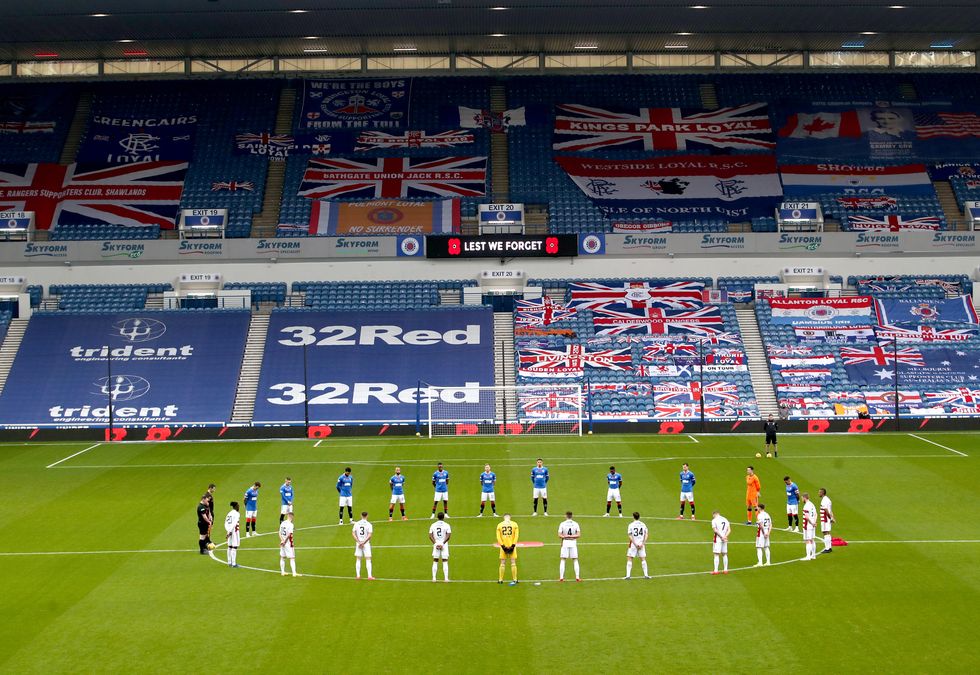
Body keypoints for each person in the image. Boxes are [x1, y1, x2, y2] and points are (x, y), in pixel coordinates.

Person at [496, 513, 520, 585]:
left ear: (504, 517)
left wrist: (503, 546)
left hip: (503, 546)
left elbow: (498, 537)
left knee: (502, 562)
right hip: (512, 545)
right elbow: (516, 536)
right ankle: (515, 579)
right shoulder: (515, 524)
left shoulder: (499, 525)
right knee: (513, 562)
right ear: (510, 517)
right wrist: (513, 546)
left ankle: (500, 580)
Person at [558, 511, 582, 582]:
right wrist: (571, 536)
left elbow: (559, 535)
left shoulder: (562, 524)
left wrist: (565, 537)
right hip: (573, 542)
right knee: (575, 559)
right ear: (571, 516)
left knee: (563, 559)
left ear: (566, 516)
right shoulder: (576, 524)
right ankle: (577, 577)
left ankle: (561, 578)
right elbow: (578, 535)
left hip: (565, 542)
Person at [625, 512, 650, 579]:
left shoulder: (631, 525)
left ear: (633, 517)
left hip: (633, 544)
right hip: (641, 544)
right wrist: (643, 543)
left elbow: (630, 535)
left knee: (629, 558)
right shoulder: (643, 524)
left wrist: (635, 544)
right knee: (643, 559)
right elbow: (646, 534)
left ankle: (628, 576)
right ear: (639, 517)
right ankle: (646, 575)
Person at [429, 511, 451, 582]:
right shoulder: (447, 525)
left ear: (437, 517)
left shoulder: (433, 525)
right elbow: (448, 535)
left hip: (436, 544)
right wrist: (443, 543)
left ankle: (434, 578)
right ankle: (446, 579)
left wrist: (435, 543)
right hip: (444, 544)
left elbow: (430, 535)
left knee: (435, 561)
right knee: (445, 561)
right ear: (443, 517)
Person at [353, 511, 374, 580]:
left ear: (361, 516)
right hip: (366, 544)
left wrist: (359, 542)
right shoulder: (369, 524)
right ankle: (369, 576)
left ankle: (358, 576)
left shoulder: (357, 523)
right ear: (367, 516)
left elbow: (353, 533)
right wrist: (364, 543)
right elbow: (369, 535)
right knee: (368, 559)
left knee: (358, 559)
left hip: (358, 543)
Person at [710, 510, 731, 575]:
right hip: (725, 538)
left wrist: (721, 537)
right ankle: (725, 570)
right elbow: (729, 530)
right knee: (724, 554)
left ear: (714, 514)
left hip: (718, 539)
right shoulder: (725, 519)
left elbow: (715, 530)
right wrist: (725, 536)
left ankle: (716, 571)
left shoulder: (714, 520)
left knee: (716, 554)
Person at [279, 511, 298, 577]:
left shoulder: (283, 522)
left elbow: (279, 533)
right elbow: (289, 534)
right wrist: (285, 542)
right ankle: (294, 573)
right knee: (292, 558)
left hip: (282, 542)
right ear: (292, 517)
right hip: (288, 543)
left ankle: (282, 572)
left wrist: (282, 541)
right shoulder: (290, 524)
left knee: (282, 557)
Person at [819, 488, 836, 554]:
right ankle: (829, 547)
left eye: (819, 492)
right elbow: (830, 510)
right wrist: (832, 518)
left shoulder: (824, 500)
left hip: (825, 519)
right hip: (826, 518)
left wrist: (830, 518)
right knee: (827, 532)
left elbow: (826, 510)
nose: (819, 493)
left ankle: (827, 548)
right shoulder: (828, 499)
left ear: (822, 493)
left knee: (825, 532)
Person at [754, 503, 772, 567]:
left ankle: (760, 563)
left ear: (759, 508)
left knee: (759, 547)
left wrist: (764, 533)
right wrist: (768, 533)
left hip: (761, 532)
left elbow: (761, 525)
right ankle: (768, 562)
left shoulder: (760, 515)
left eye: (757, 507)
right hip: (767, 531)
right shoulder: (767, 515)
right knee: (766, 547)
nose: (756, 508)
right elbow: (770, 525)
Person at [801, 492, 818, 561]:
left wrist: (812, 523)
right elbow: (816, 514)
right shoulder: (812, 504)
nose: (802, 499)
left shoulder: (806, 506)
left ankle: (808, 556)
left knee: (808, 541)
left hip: (807, 525)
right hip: (812, 525)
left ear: (805, 498)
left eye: (802, 498)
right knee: (812, 540)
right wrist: (814, 522)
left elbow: (807, 517)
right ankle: (813, 555)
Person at [224, 501, 241, 568]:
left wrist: (228, 531)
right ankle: (233, 564)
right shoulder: (236, 514)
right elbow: (234, 523)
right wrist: (230, 531)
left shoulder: (229, 513)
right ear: (236, 506)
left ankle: (229, 562)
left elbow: (225, 523)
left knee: (230, 546)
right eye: (238, 505)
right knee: (234, 547)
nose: (239, 507)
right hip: (234, 532)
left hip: (229, 530)